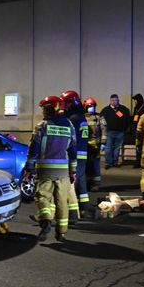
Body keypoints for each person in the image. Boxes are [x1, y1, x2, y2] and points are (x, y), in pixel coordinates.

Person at [26, 96, 76, 243]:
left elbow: (34, 149)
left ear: (50, 109)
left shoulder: (42, 126)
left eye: (44, 109)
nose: (43, 112)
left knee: (42, 197)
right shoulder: (69, 126)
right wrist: (72, 171)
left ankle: (46, 220)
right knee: (62, 202)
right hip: (63, 171)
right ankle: (61, 232)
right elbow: (73, 150)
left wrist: (29, 168)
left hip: (45, 170)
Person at [61, 90, 89, 218]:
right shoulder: (81, 117)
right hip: (82, 151)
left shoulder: (73, 118)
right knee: (80, 178)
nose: (64, 106)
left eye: (66, 103)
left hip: (75, 152)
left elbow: (69, 137)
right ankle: (84, 206)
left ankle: (72, 210)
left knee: (73, 180)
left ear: (72, 103)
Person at [99, 94, 131, 169]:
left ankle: (115, 162)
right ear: (110, 101)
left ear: (118, 100)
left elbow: (127, 120)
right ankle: (108, 163)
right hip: (109, 132)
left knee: (117, 148)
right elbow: (101, 120)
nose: (114, 102)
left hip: (120, 132)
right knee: (108, 148)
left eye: (116, 100)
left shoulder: (123, 109)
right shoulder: (105, 110)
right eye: (112, 100)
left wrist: (125, 129)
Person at [83, 97, 102, 191]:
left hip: (95, 146)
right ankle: (87, 183)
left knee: (95, 165)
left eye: (93, 106)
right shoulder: (82, 117)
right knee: (86, 165)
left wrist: (103, 143)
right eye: (90, 106)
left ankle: (96, 184)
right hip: (85, 146)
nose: (92, 108)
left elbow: (104, 130)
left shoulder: (98, 117)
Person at [130, 94, 144, 168]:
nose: (135, 102)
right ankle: (138, 162)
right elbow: (134, 117)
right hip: (137, 129)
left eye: (136, 100)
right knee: (138, 147)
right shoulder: (136, 108)